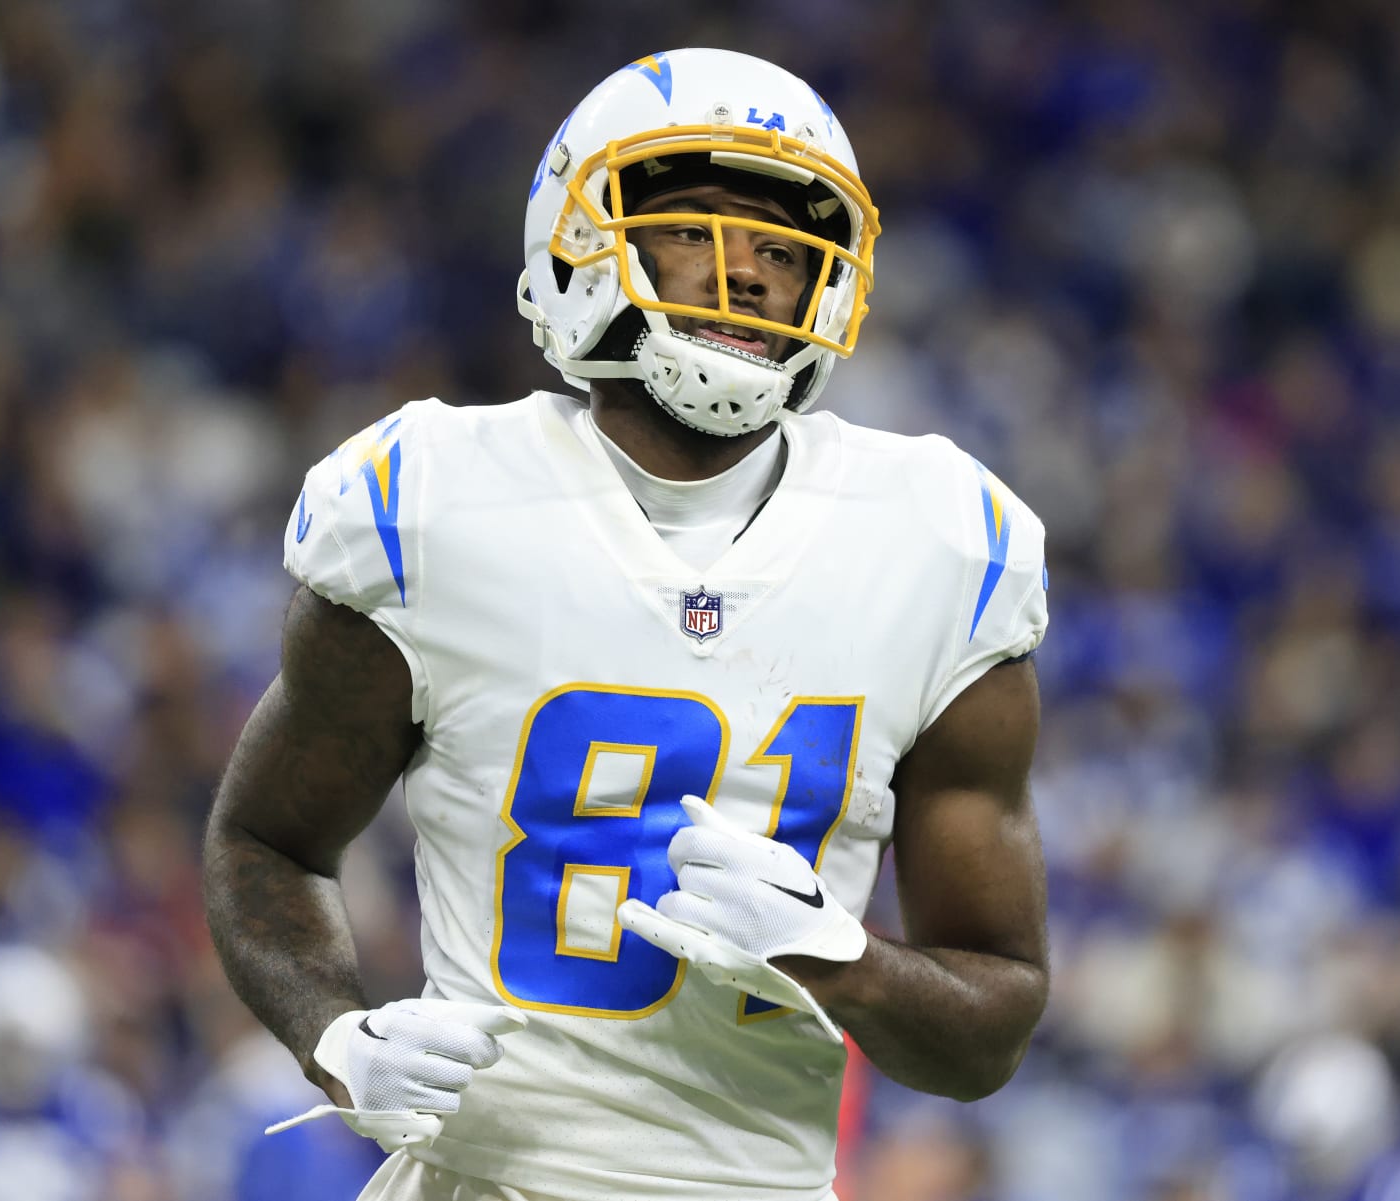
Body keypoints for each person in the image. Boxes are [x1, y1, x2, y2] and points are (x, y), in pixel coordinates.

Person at [203, 47, 1052, 1201]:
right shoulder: (432, 504)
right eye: (696, 229)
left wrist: (842, 959)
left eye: (779, 249)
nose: (744, 271)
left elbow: (993, 1021)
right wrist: (338, 1038)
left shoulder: (939, 542)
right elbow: (265, 841)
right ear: (580, 243)